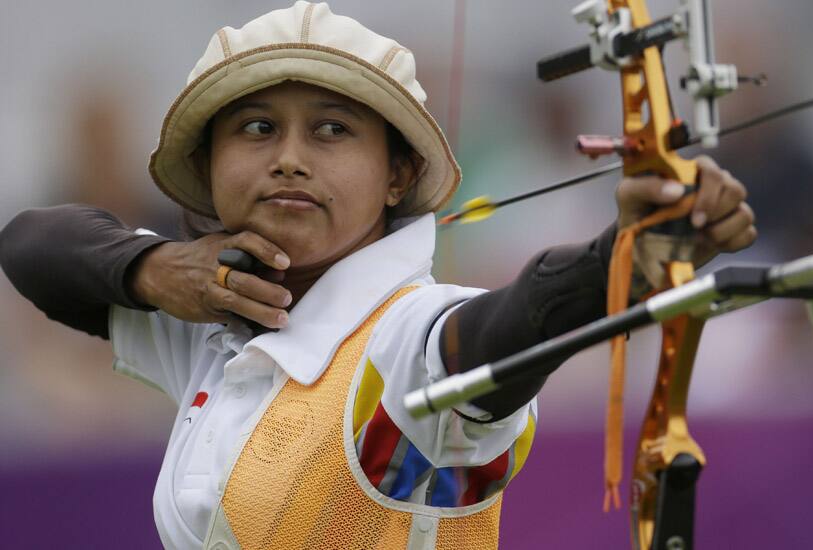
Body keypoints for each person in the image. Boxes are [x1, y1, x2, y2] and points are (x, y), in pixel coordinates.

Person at [0, 2, 755, 549]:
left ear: (397, 176)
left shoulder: (406, 337)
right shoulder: (214, 309)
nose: (290, 156)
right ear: (209, 166)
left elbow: (502, 328)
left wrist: (617, 258)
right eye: (257, 128)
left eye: (333, 130)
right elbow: (31, 244)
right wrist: (156, 269)